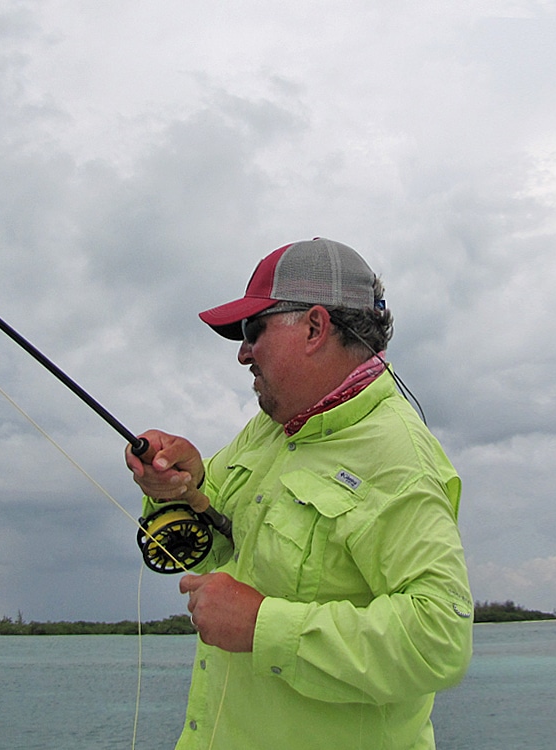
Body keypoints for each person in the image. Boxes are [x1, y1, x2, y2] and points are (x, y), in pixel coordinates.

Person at [125, 238, 472, 749]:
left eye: (252, 330)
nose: (243, 353)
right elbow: (217, 536)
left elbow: (439, 637)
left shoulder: (399, 458)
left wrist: (262, 626)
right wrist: (180, 485)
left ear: (314, 327)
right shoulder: (271, 426)